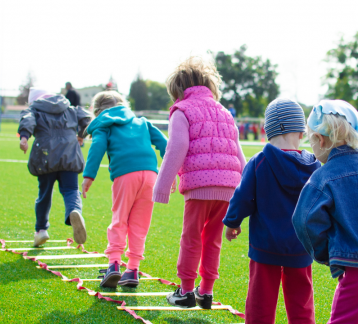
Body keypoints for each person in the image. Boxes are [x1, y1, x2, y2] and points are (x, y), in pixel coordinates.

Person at [153, 57, 246, 309]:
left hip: (199, 186)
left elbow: (177, 146)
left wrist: (163, 184)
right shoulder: (225, 112)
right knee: (212, 239)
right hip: (229, 188)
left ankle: (185, 291)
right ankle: (205, 292)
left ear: (178, 90)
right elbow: (239, 154)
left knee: (191, 237)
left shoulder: (182, 110)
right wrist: (246, 192)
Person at [223, 98, 321, 324]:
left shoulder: (259, 161)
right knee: (301, 302)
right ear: (301, 132)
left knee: (260, 302)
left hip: (265, 246)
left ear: (267, 130)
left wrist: (232, 222)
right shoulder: (314, 166)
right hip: (301, 247)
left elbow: (243, 196)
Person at [81, 91, 167, 288]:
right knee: (140, 224)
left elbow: (97, 147)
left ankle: (114, 265)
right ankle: (133, 270)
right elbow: (165, 144)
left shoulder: (104, 124)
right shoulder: (142, 122)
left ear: (97, 111)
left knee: (119, 219)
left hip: (125, 175)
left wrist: (88, 176)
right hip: (151, 176)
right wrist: (171, 172)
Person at [293, 100, 358, 324]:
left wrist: (326, 254)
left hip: (354, 271)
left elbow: (304, 221)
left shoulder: (322, 177)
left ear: (320, 139)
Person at [18, 87, 91, 247]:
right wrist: (81, 134)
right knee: (71, 190)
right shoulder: (69, 107)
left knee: (44, 193)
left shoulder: (35, 109)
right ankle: (75, 211)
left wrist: (24, 137)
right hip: (70, 154)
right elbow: (86, 118)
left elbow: (28, 119)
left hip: (45, 156)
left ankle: (41, 230)